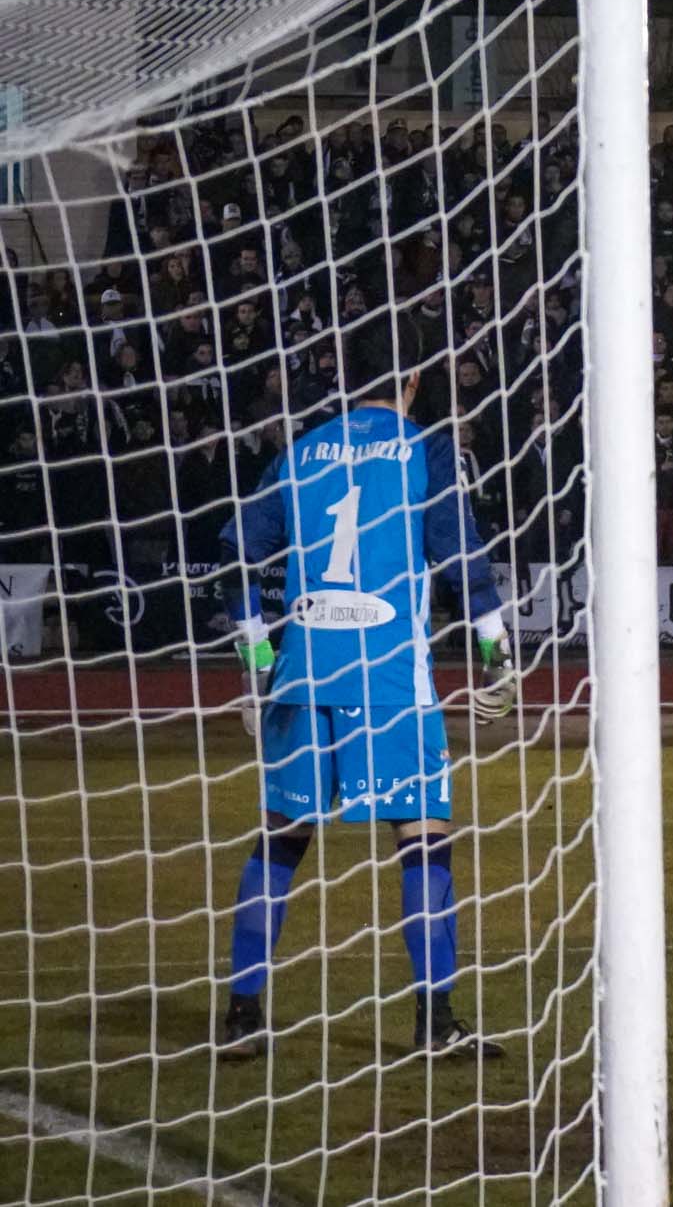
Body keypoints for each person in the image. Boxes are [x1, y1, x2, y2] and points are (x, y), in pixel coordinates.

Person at [215, 317, 509, 1061]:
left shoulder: (300, 452)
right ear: (413, 380)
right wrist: (495, 651)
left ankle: (243, 1012)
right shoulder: (426, 450)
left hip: (304, 673)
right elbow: (461, 557)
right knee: (424, 844)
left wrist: (255, 659)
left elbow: (235, 559)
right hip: (391, 682)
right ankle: (435, 1022)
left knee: (281, 840)